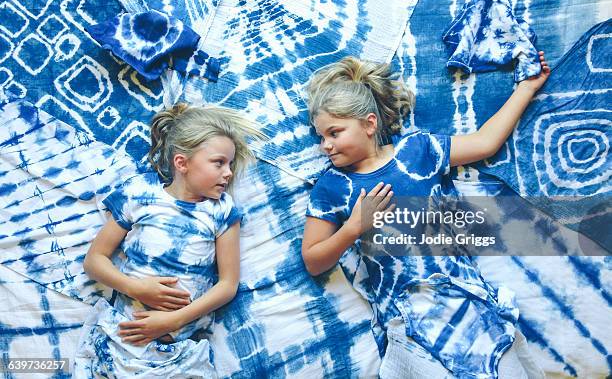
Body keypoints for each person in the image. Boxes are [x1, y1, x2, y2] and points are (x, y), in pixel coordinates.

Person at [302, 55, 550, 378]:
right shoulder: (331, 187)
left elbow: (486, 143)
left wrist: (527, 87)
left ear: (369, 124)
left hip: (467, 300)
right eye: (321, 137)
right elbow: (313, 260)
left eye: (334, 133)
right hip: (408, 320)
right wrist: (353, 228)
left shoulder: (418, 151)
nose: (325, 146)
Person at [74, 103, 264, 378]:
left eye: (231, 164)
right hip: (121, 340)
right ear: (182, 162)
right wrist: (137, 289)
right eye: (219, 163)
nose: (229, 173)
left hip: (179, 352)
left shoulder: (221, 210)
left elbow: (227, 285)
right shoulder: (140, 193)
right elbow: (94, 261)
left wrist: (173, 320)